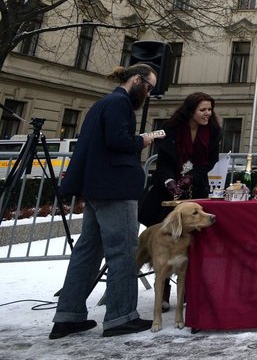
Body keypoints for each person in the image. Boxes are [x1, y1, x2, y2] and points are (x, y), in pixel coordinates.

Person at [50, 64, 162, 340]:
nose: (148, 94)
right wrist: (142, 141)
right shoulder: (119, 104)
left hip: (96, 188)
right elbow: (118, 140)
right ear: (136, 80)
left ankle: (68, 316)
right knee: (123, 251)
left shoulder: (102, 103)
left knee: (87, 252)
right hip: (116, 189)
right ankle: (121, 316)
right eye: (148, 87)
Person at [139, 92, 223, 228]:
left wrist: (191, 177)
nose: (207, 113)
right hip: (167, 189)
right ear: (190, 111)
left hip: (196, 188)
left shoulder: (214, 131)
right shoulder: (171, 129)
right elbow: (164, 161)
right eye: (202, 110)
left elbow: (209, 161)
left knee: (194, 230)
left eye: (209, 109)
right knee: (161, 230)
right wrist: (169, 180)